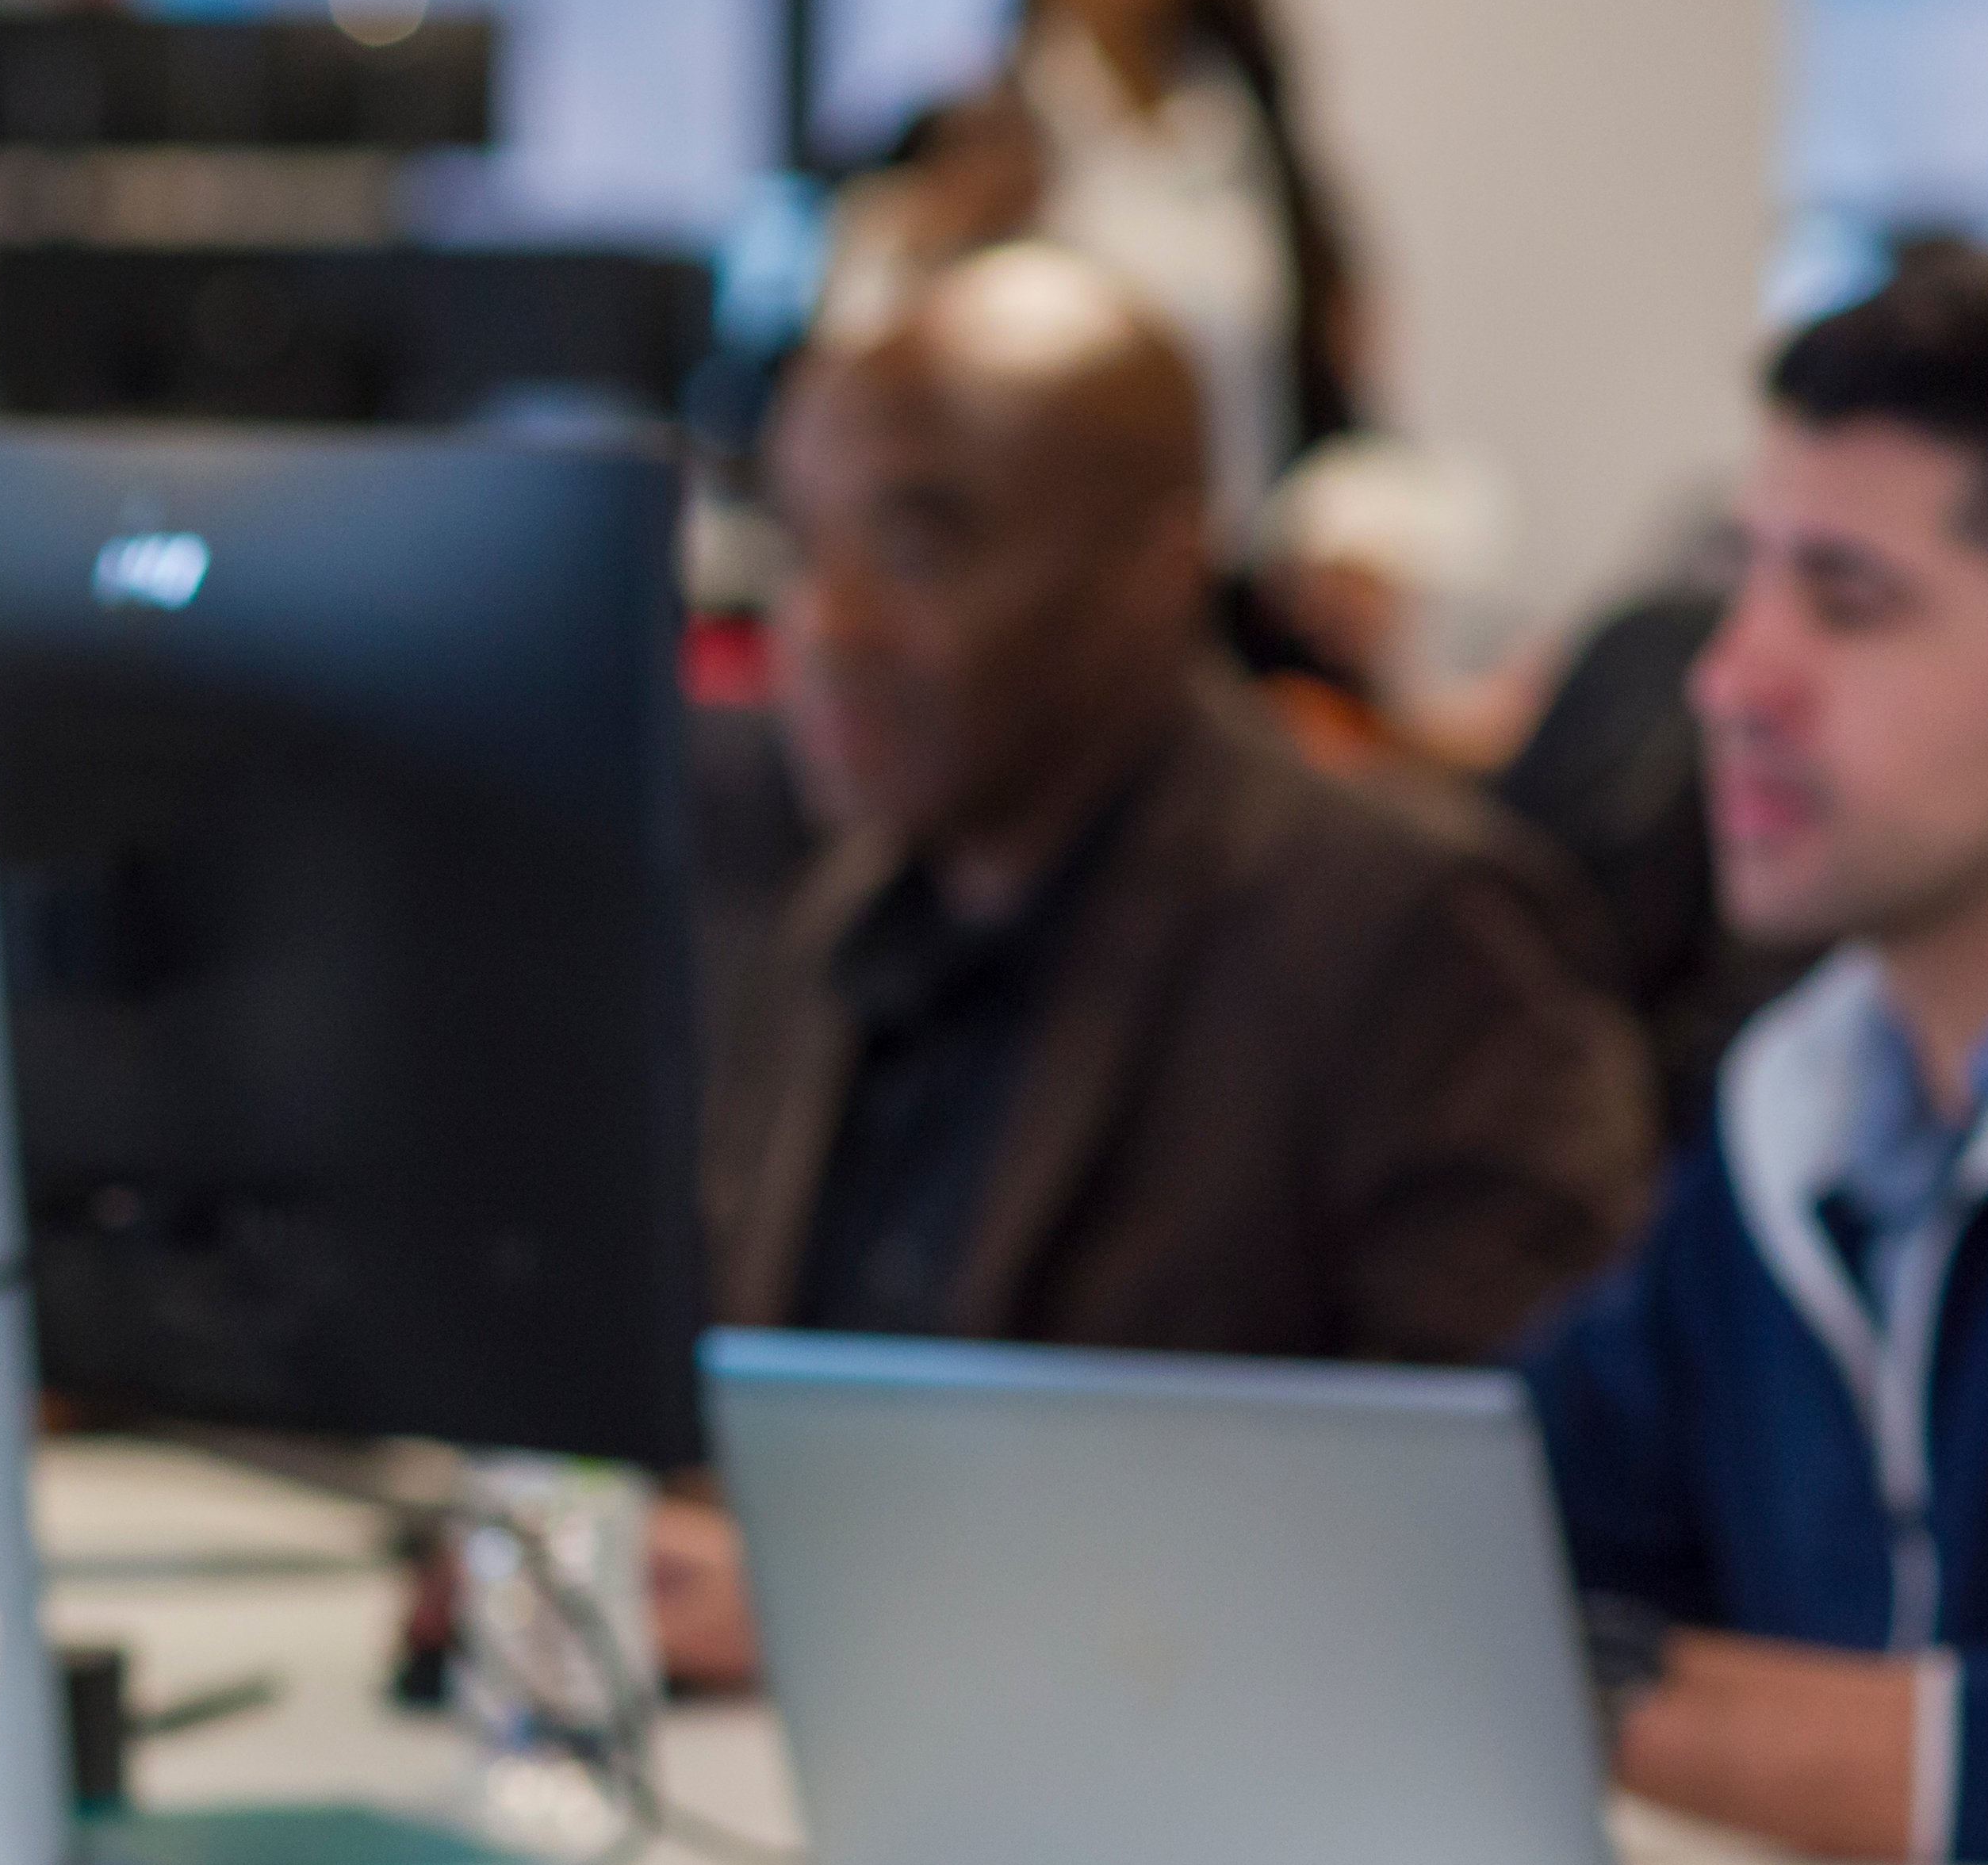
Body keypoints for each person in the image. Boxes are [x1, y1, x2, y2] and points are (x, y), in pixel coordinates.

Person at [658, 245, 1653, 1684]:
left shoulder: (1407, 934)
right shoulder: (841, 918)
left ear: (1158, 566)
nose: (833, 623)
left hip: (1190, 1768)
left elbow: (1483, 1535)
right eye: (804, 548)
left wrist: (859, 1612)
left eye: (919, 549)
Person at [1523, 255, 1988, 1865]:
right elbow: (1527, 1509)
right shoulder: (1808, 1087)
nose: (1728, 678)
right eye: (1741, 581)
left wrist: (1593, 1703)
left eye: (1846, 603)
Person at [831, 0, 1366, 530]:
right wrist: (930, 242)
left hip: (1230, 555)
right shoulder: (974, 138)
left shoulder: (1255, 148)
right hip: (1037, 555)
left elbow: (1321, 392)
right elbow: (853, 362)